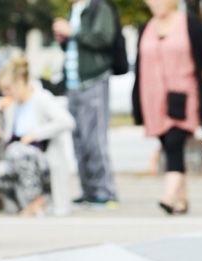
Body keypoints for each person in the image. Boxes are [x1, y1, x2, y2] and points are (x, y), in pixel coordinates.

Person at [132, 0, 202, 215]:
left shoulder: (190, 24)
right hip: (152, 98)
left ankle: (168, 197)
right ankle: (182, 200)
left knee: (174, 141)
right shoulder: (145, 28)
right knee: (169, 147)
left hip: (183, 96)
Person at [0, 57, 75, 216]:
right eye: (3, 90)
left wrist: (35, 134)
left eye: (8, 88)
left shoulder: (42, 98)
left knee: (17, 151)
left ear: (21, 80)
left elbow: (67, 121)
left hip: (44, 161)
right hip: (20, 159)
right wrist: (0, 135)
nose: (6, 94)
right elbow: (13, 142)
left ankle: (39, 200)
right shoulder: (12, 107)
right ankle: (19, 202)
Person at [53, 0, 120, 208]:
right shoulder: (73, 9)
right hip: (73, 84)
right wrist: (62, 37)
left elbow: (102, 38)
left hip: (94, 81)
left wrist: (71, 31)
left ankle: (105, 191)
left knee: (95, 139)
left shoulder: (100, 8)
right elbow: (73, 45)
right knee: (78, 140)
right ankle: (88, 190)